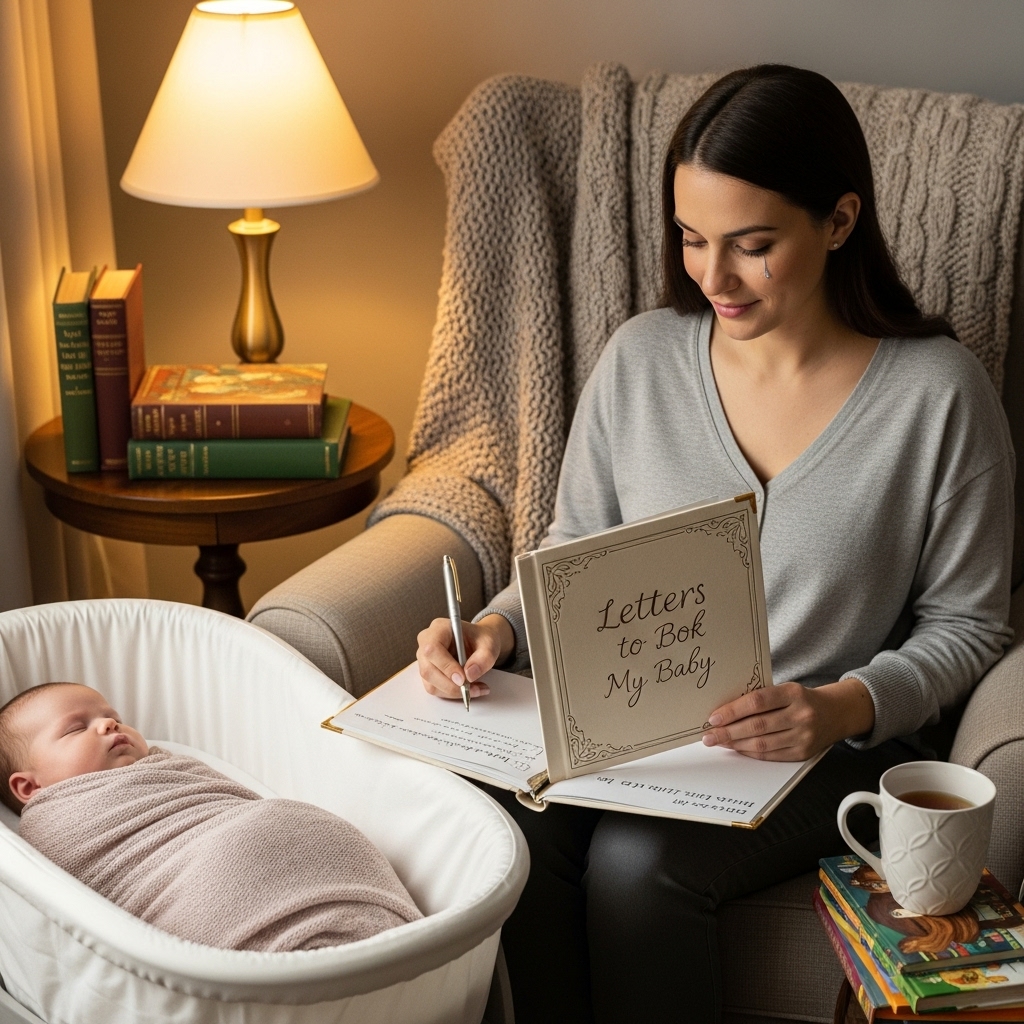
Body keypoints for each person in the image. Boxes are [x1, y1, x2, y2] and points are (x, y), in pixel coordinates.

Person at [414, 64, 1015, 1022]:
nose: (713, 277)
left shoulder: (939, 395)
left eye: (752, 245)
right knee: (498, 834)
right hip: (634, 733)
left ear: (841, 220)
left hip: (825, 751)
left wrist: (839, 706)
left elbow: (970, 623)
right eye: (692, 240)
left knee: (636, 869)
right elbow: (577, 547)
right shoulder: (640, 358)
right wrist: (495, 629)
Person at [0, 682, 423, 950]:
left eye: (113, 717)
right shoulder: (52, 825)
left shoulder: (173, 767)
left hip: (299, 849)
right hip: (208, 886)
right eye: (77, 729)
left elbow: (231, 802)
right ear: (29, 788)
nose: (109, 726)